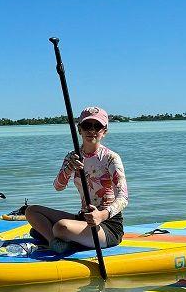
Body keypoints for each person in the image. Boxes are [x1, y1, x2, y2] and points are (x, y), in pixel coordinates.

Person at [25, 107, 128, 255]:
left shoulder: (111, 158)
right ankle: (54, 242)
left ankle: (57, 235)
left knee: (61, 227)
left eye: (97, 126)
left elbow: (123, 198)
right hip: (83, 217)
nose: (91, 130)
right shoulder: (72, 157)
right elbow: (58, 187)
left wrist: (101, 215)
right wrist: (69, 168)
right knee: (31, 211)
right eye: (87, 125)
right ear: (79, 129)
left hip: (108, 225)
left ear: (104, 131)